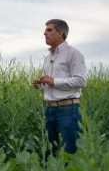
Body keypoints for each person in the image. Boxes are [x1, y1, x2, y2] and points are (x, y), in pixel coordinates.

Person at [32, 19, 86, 157]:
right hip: (49, 110)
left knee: (69, 154)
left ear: (61, 33)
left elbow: (81, 81)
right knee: (53, 154)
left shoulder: (73, 54)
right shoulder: (47, 58)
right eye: (45, 30)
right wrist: (41, 85)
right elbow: (51, 85)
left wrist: (54, 81)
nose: (44, 33)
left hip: (68, 110)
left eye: (49, 30)